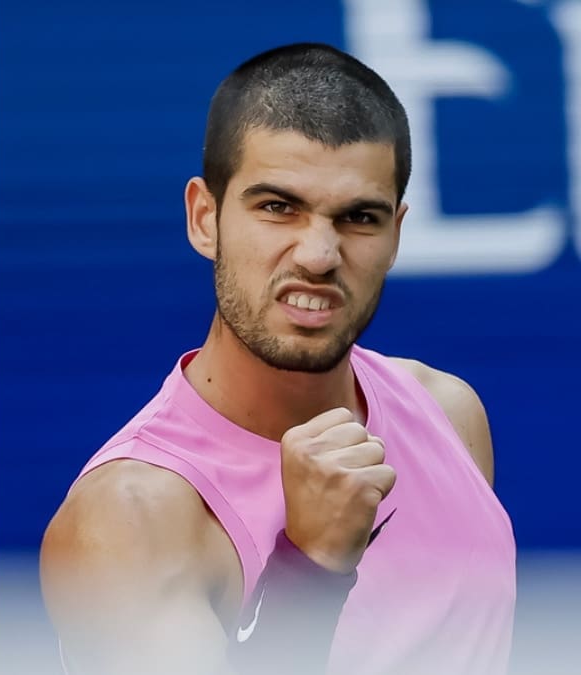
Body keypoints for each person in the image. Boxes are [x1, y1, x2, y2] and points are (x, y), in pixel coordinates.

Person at [40, 43, 514, 675]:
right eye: (277, 207)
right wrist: (309, 569)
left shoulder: (450, 413)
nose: (318, 254)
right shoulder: (127, 519)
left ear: (396, 235)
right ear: (204, 218)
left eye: (359, 218)